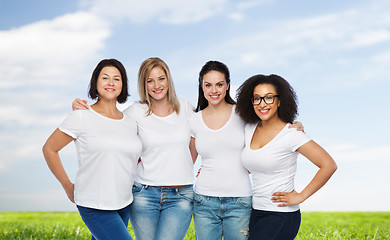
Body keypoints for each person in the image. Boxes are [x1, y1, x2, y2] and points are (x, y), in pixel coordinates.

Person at [72, 57, 195, 240]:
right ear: (143, 84)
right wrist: (81, 110)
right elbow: (107, 122)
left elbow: (202, 135)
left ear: (168, 79)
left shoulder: (185, 107)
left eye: (161, 78)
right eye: (149, 80)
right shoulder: (134, 112)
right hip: (144, 195)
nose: (156, 85)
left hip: (181, 196)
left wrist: (183, 166)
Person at [42, 59, 142, 240]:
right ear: (96, 82)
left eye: (117, 79)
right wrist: (67, 186)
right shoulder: (81, 116)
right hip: (94, 203)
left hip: (124, 201)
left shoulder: (130, 121)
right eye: (105, 78)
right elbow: (49, 149)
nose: (111, 82)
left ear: (123, 85)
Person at [235, 74, 337, 240]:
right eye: (257, 98)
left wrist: (301, 196)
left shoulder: (292, 134)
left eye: (269, 98)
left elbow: (329, 165)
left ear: (279, 101)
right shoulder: (249, 128)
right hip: (256, 210)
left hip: (281, 215)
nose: (262, 104)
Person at [189, 61, 252, 240]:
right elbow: (187, 161)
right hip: (204, 201)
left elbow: (268, 134)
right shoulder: (194, 120)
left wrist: (293, 126)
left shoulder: (243, 114)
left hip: (239, 201)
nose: (213, 90)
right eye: (208, 85)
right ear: (202, 87)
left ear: (228, 85)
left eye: (219, 84)